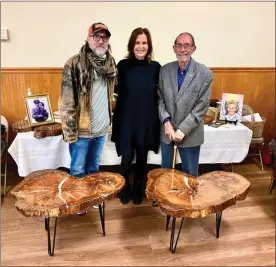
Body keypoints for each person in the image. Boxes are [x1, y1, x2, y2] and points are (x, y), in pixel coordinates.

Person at [59, 22, 117, 214]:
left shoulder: (110, 63)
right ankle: (78, 202)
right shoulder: (74, 63)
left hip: (101, 128)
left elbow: (111, 94)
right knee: (77, 170)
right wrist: (69, 132)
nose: (101, 41)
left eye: (104, 37)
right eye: (96, 36)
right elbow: (66, 100)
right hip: (81, 130)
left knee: (93, 168)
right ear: (88, 39)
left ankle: (91, 198)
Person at [111, 27, 161, 205]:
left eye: (144, 43)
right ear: (131, 45)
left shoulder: (156, 68)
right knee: (126, 157)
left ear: (149, 45)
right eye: (137, 43)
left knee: (141, 157)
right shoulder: (122, 66)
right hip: (126, 120)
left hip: (146, 121)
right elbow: (115, 92)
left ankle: (139, 186)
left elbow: (160, 96)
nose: (141, 46)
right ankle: (124, 187)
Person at [158, 32, 213, 178]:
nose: (183, 49)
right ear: (174, 48)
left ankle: (190, 200)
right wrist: (166, 122)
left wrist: (182, 130)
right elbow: (160, 99)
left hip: (191, 133)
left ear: (193, 48)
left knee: (190, 175)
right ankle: (165, 200)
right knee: (166, 174)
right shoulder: (164, 70)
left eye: (187, 45)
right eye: (179, 45)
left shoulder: (205, 73)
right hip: (167, 132)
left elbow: (202, 106)